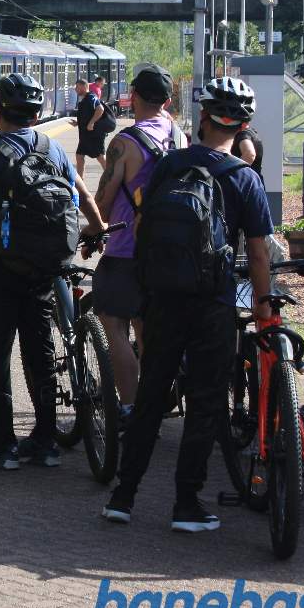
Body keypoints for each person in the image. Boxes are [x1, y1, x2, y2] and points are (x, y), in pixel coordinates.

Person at [102, 76, 274, 533]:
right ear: (242, 126)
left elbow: (140, 229)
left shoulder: (169, 165)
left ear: (201, 118)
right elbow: (257, 254)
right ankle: (186, 504)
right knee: (205, 402)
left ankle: (122, 498)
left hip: (163, 301)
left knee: (151, 395)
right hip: (213, 304)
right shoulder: (244, 178)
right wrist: (261, 307)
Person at [0, 74, 105, 469]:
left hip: (0, 268)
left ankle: (2, 447)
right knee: (39, 353)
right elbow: (86, 196)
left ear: (0, 109)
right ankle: (44, 441)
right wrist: (98, 230)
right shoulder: (53, 148)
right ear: (37, 113)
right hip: (45, 269)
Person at [91, 64, 179, 414]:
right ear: (168, 101)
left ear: (134, 97)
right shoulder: (179, 134)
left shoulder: (124, 143)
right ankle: (155, 404)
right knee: (150, 329)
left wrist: (92, 226)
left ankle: (130, 408)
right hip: (171, 249)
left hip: (128, 249)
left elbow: (104, 201)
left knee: (113, 324)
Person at [71, 78, 108, 179]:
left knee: (100, 157)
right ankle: (80, 180)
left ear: (83, 87)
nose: (75, 90)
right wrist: (78, 123)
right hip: (86, 135)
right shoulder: (85, 99)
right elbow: (87, 115)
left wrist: (91, 123)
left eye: (77, 87)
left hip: (94, 135)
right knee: (79, 156)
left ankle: (112, 176)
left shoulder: (91, 97)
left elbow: (100, 109)